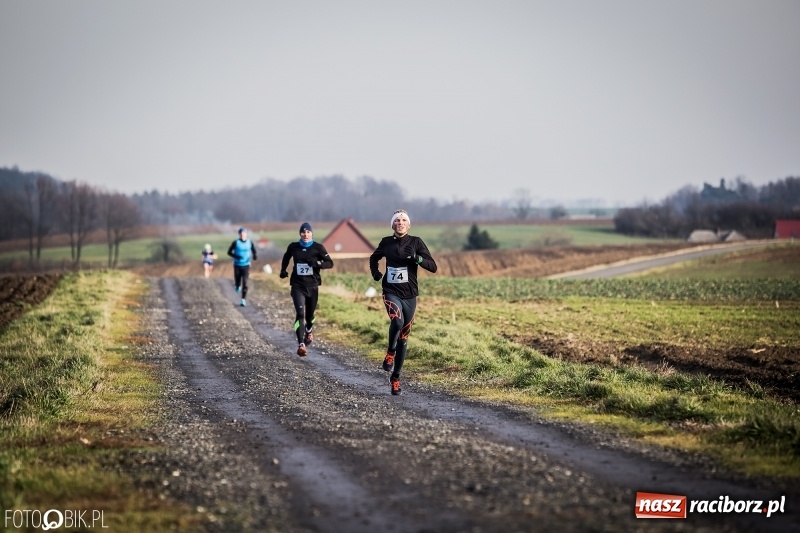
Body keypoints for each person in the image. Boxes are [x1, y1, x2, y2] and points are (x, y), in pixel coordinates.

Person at [369, 209, 437, 395]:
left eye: (403, 220)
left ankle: (396, 378)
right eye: (397, 220)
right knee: (397, 321)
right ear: (392, 225)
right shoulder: (386, 242)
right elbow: (374, 257)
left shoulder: (416, 242)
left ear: (408, 224)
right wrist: (375, 272)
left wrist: (417, 258)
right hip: (391, 291)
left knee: (404, 337)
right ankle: (390, 352)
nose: (400, 223)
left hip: (410, 295)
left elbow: (433, 267)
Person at [280, 222, 334, 357]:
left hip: (313, 286)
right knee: (300, 314)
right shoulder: (293, 247)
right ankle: (301, 344)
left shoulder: (318, 248)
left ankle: (309, 330)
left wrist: (317, 264)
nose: (305, 234)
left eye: (308, 232)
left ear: (312, 234)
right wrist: (283, 270)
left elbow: (330, 263)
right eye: (303, 232)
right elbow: (286, 257)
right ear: (300, 233)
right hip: (297, 285)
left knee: (310, 316)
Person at [227, 227, 257, 307]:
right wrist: (236, 256)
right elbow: (229, 252)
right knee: (237, 281)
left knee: (245, 282)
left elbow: (253, 250)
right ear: (239, 234)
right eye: (241, 234)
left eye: (244, 233)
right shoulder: (236, 242)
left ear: (246, 234)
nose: (242, 235)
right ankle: (237, 285)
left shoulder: (249, 242)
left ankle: (243, 299)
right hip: (237, 265)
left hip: (246, 265)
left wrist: (254, 256)